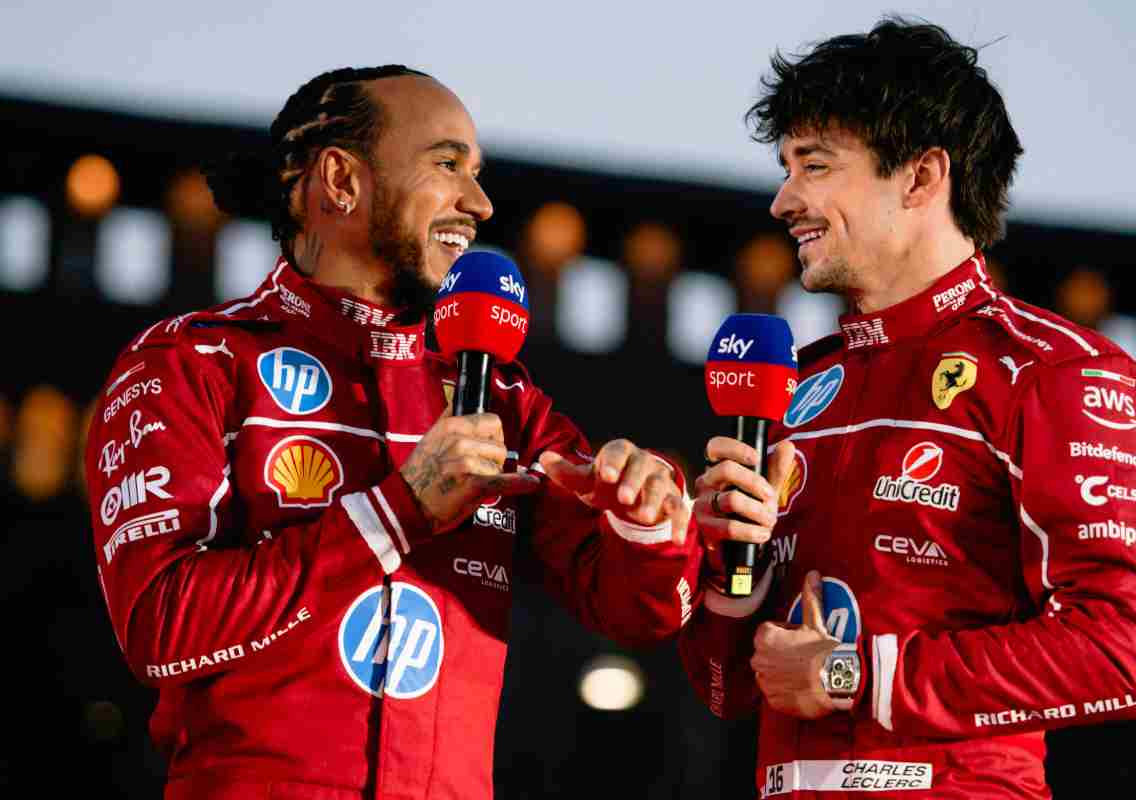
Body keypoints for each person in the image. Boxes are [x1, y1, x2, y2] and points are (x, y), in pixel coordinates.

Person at [86, 65, 701, 799]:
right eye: (446, 165)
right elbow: (159, 628)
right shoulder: (193, 363)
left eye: (477, 173)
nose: (479, 203)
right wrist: (396, 511)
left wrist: (647, 526)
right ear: (341, 180)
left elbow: (637, 609)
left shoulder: (504, 399)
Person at [679, 19, 1136, 798]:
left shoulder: (1056, 372)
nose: (783, 201)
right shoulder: (797, 391)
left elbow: (1119, 653)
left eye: (814, 165)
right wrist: (726, 568)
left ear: (920, 177)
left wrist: (853, 673)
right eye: (785, 168)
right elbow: (726, 688)